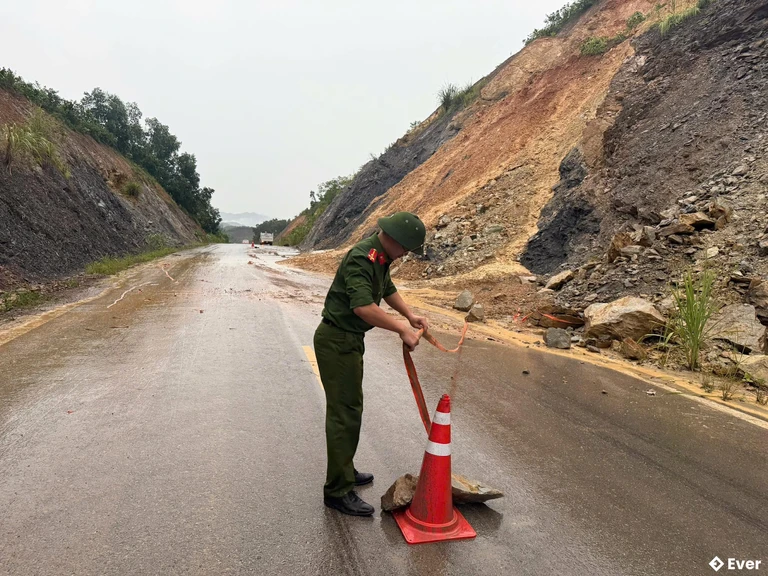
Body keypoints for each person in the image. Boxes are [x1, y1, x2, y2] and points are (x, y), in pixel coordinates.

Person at [314, 212, 428, 516]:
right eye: (405, 248)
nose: (405, 255)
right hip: (337, 340)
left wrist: (409, 315)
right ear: (392, 239)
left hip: (349, 341)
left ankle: (345, 470)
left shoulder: (380, 257)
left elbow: (386, 289)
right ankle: (337, 491)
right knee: (344, 414)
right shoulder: (361, 258)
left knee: (351, 408)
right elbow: (363, 307)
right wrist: (402, 330)